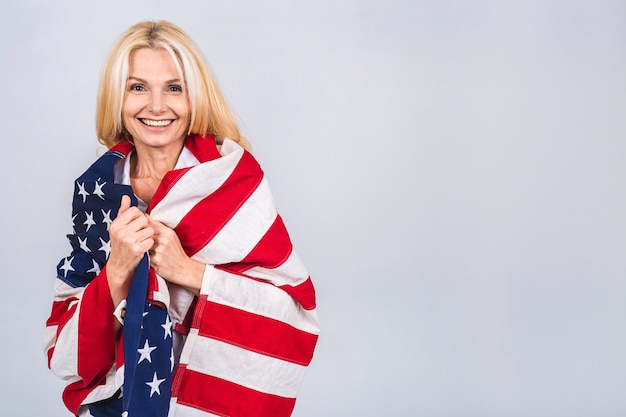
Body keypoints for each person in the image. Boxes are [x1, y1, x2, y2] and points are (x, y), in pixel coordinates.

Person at [44, 20, 319, 417]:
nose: (156, 106)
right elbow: (64, 353)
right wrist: (117, 271)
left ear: (195, 98)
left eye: (174, 88)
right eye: (137, 87)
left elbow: (294, 315)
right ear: (117, 98)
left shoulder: (232, 179)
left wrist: (189, 271)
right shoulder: (98, 191)